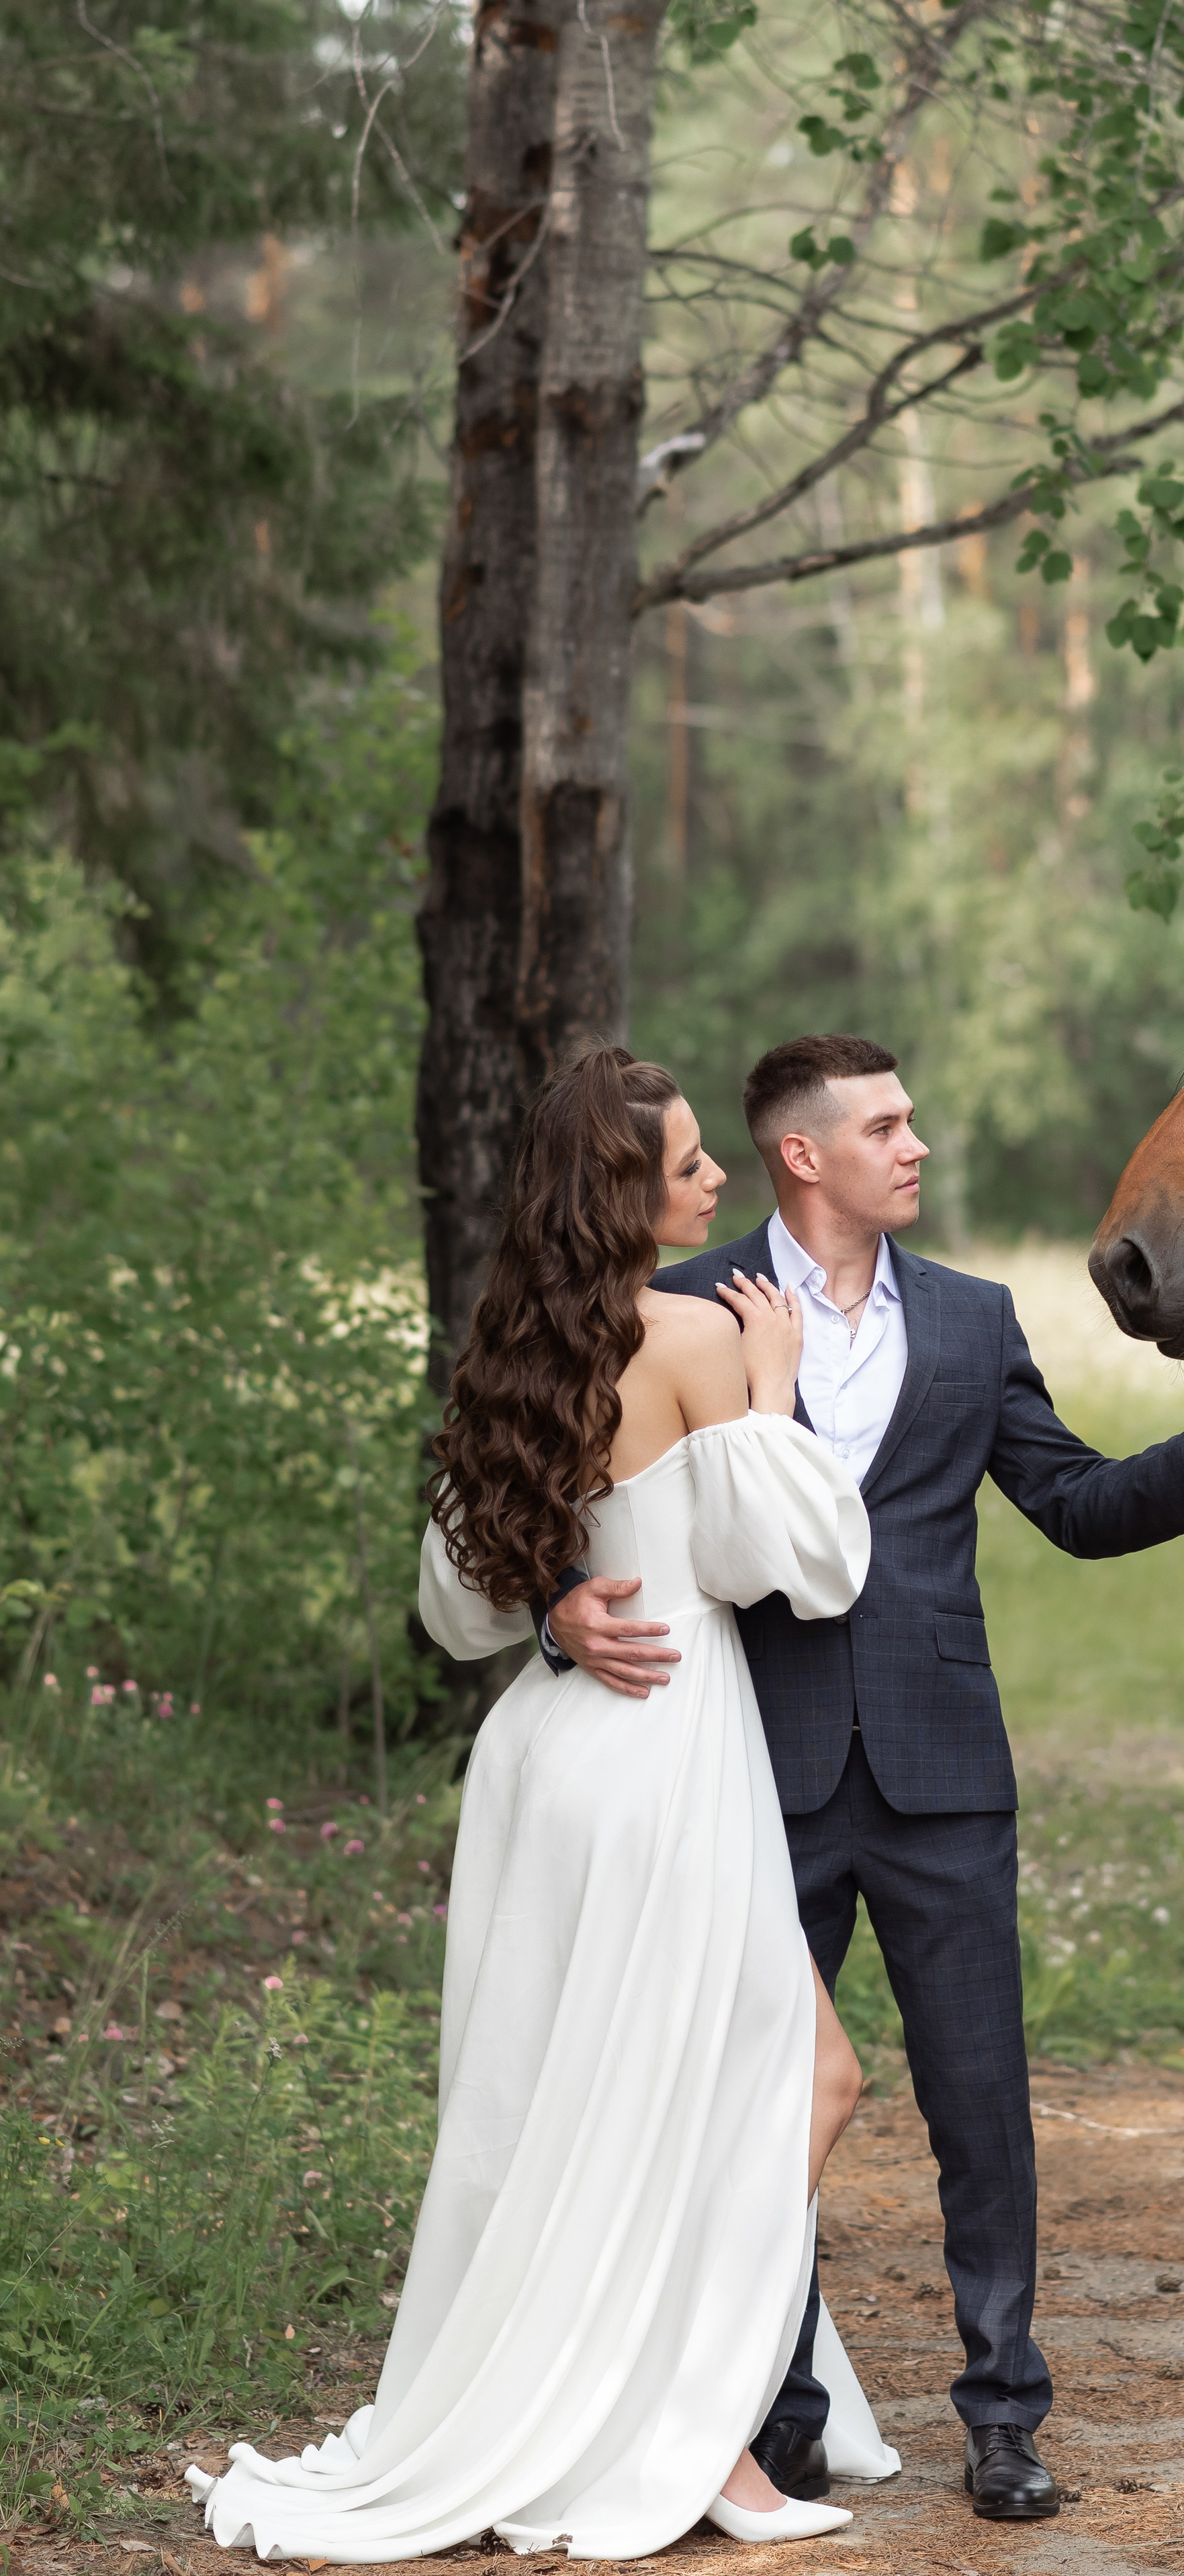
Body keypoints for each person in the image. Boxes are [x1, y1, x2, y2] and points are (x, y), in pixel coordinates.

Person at [541, 1032, 1184, 2524]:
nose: (917, 1147)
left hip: (944, 1767)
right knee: (757, 2105)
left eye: (911, 1122)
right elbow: (563, 1483)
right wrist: (559, 1602)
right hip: (748, 1764)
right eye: (885, 1127)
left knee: (980, 2106)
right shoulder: (687, 1304)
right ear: (802, 1154)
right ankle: (777, 2415)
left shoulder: (969, 1317)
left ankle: (1005, 2415)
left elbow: (1069, 1500)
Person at [188, 1047, 901, 2563]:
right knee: (797, 2080)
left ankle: (631, 2407)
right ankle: (697, 2435)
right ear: (624, 1196)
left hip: (548, 1753)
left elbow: (456, 1602)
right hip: (665, 1751)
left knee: (582, 2100)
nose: (714, 1180)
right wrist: (777, 1391)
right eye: (689, 1163)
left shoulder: (514, 1347)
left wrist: (557, 1604)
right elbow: (804, 1566)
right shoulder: (702, 1337)